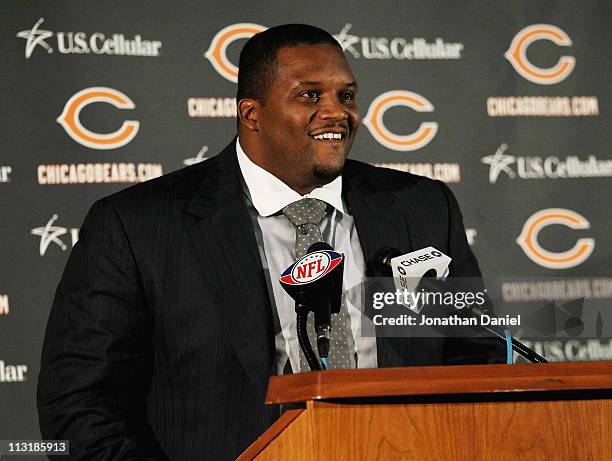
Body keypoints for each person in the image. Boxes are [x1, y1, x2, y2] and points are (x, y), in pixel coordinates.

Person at [38, 24, 503, 461]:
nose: (337, 111)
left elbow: (477, 357)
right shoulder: (136, 224)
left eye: (346, 95)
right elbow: (79, 403)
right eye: (309, 95)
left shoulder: (422, 207)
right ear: (251, 114)